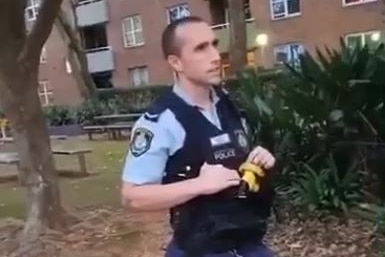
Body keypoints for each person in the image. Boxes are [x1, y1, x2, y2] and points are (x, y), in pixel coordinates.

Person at [121, 16, 276, 257]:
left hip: (249, 245)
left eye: (214, 44)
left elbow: (235, 163)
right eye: (201, 48)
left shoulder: (229, 106)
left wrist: (258, 160)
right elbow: (133, 197)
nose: (215, 55)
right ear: (176, 62)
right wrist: (200, 185)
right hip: (199, 250)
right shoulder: (161, 122)